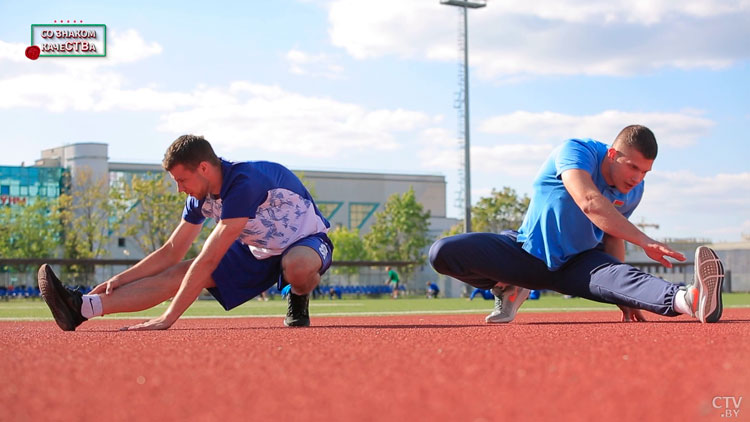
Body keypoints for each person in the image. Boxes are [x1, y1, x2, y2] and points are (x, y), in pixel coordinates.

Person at [430, 125, 725, 324]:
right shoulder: (576, 151)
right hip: (527, 253)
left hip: (580, 265)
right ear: (612, 154)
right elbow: (589, 201)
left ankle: (692, 299)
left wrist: (622, 297)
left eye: (645, 172)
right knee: (443, 252)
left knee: (625, 279)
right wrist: (645, 241)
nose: (637, 178)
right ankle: (508, 287)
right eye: (633, 167)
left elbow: (613, 235)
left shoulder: (634, 189)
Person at [38, 134, 333, 331]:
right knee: (184, 270)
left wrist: (169, 318)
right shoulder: (197, 198)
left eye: (182, 180)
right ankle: (81, 308)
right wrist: (121, 278)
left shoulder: (245, 183)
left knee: (297, 265)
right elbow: (171, 251)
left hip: (305, 243)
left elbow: (208, 259)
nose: (179, 189)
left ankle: (298, 295)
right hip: (256, 250)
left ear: (204, 168)